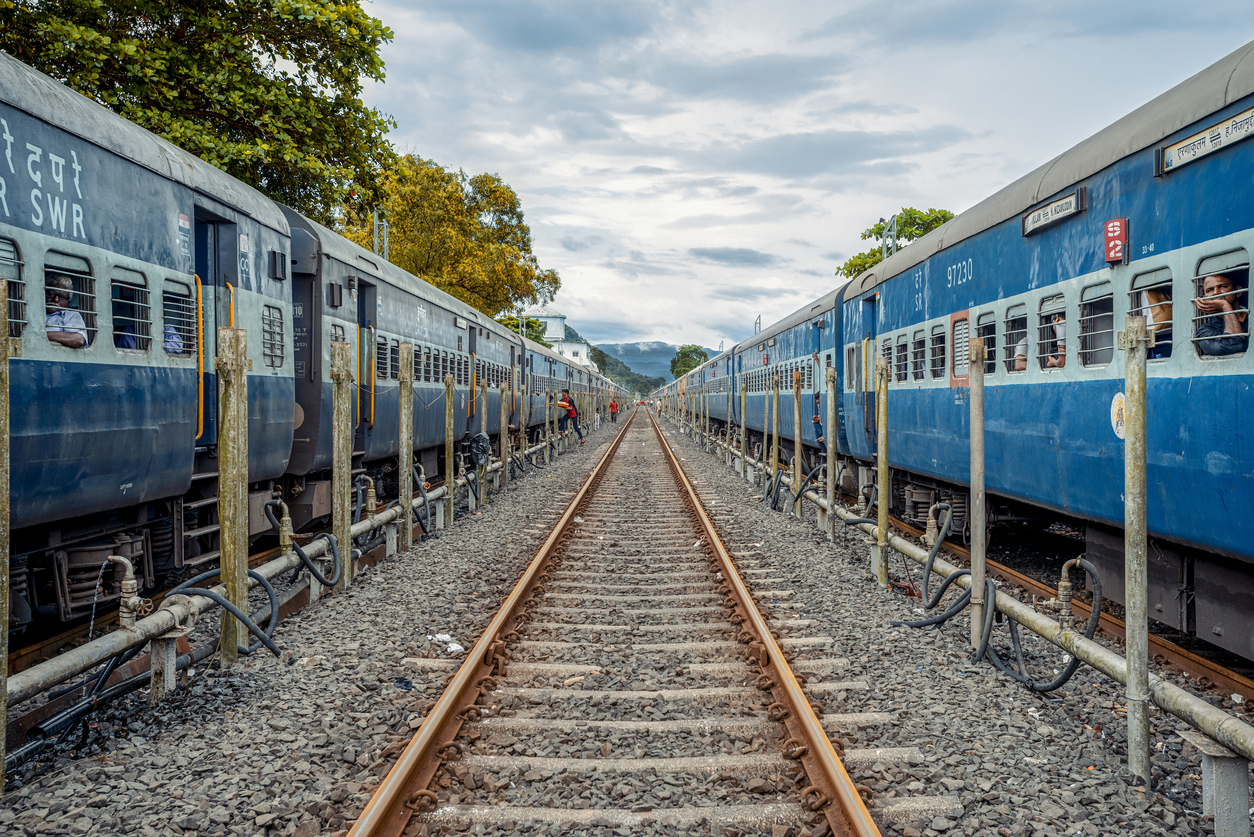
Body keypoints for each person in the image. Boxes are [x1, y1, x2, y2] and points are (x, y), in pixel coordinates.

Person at [1195, 273, 1249, 356]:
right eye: (1210, 290)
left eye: (1223, 286)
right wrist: (1225, 306)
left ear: (1238, 291)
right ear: (1205, 298)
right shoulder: (1205, 331)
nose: (1216, 292)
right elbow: (1236, 345)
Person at [45, 272, 87, 348]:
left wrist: (41, 334)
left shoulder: (71, 316)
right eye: (51, 293)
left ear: (68, 301)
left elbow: (78, 339)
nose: (56, 299)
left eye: (62, 297)